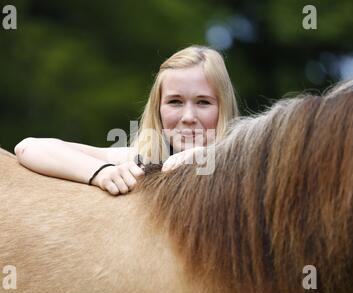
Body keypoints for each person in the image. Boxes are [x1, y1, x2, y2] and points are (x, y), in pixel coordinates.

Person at [14, 45, 239, 195]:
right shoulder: (143, 159)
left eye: (203, 102)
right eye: (175, 102)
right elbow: (28, 147)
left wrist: (212, 157)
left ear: (223, 107)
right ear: (157, 108)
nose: (189, 117)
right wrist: (101, 173)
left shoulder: (241, 162)